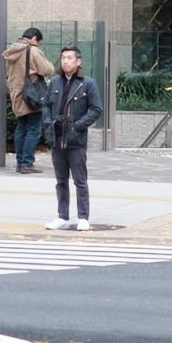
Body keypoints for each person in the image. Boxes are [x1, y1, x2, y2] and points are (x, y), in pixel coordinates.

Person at [43, 43, 103, 231]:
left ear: (78, 61)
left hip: (75, 138)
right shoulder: (55, 82)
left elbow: (96, 109)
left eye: (69, 58)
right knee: (61, 180)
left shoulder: (87, 83)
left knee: (80, 180)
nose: (66, 61)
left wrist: (78, 125)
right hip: (57, 136)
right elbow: (45, 104)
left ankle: (83, 217)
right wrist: (48, 123)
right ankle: (62, 216)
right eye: (63, 58)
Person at [3, 26, 54, 174]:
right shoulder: (32, 50)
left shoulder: (11, 50)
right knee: (33, 129)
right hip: (32, 94)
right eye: (38, 42)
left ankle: (20, 163)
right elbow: (46, 70)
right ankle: (27, 163)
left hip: (16, 92)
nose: (38, 44)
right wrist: (50, 66)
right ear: (33, 39)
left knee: (21, 128)